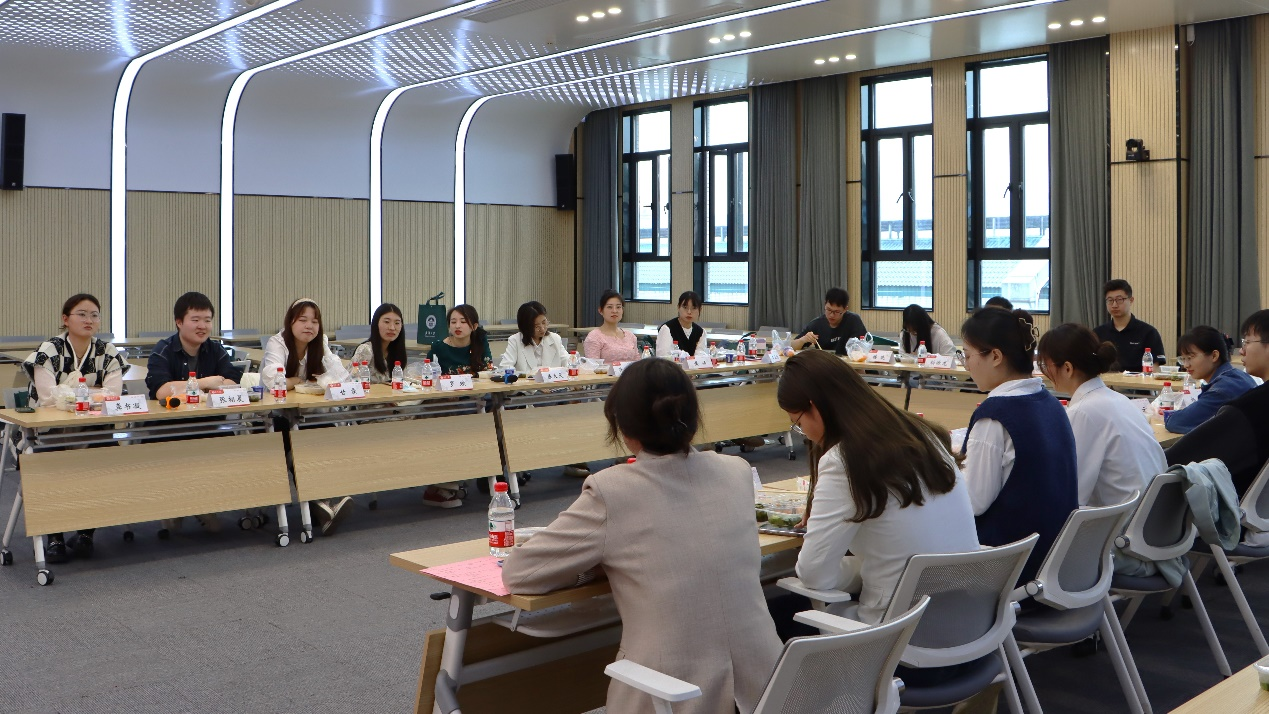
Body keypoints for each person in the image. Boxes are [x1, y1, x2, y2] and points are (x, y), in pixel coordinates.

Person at [502, 359, 781, 714]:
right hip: (769, 688)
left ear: (622, 426)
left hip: (673, 695)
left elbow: (520, 573)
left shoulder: (612, 490)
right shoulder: (736, 471)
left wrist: (592, 568)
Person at [777, 350, 979, 624]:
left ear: (815, 408)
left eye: (799, 423)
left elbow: (815, 575)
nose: (807, 435)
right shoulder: (923, 432)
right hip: (969, 623)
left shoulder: (844, 460)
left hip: (900, 632)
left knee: (786, 612)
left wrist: (858, 568)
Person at [959, 308, 1078, 584]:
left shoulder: (994, 416)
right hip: (1056, 558)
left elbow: (973, 502)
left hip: (1012, 566)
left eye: (967, 355)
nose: (966, 366)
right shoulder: (1051, 403)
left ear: (995, 356)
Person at [21, 294, 129, 562]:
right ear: (65, 319)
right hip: (49, 431)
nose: (89, 320)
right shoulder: (49, 350)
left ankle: (85, 534)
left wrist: (73, 393)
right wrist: (94, 391)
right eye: (82, 314)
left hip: (93, 429)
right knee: (50, 470)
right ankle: (54, 537)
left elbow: (114, 396)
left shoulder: (107, 351)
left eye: (94, 315)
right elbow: (48, 398)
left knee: (107, 462)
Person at [1038, 324, 1166, 508]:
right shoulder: (1119, 399)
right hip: (1154, 513)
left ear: (1067, 368)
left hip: (1124, 519)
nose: (1044, 373)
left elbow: (1071, 493)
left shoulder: (1083, 412)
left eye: (1045, 365)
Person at [260, 299, 353, 533]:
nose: (309, 326)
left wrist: (296, 381)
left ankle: (323, 504)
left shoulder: (320, 343)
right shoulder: (277, 343)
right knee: (297, 444)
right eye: (303, 320)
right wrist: (300, 380)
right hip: (274, 416)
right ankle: (320, 505)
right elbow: (273, 381)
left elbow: (341, 377)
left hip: (307, 416)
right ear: (290, 322)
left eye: (314, 321)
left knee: (327, 433)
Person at [1167, 310, 1269, 496]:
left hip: (1235, 505)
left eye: (1247, 342)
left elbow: (1174, 459)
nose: (1241, 350)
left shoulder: (1249, 409)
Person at [145, 291, 243, 401]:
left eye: (207, 320)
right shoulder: (163, 351)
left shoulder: (216, 349)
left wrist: (188, 387)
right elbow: (161, 392)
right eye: (195, 320)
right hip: (174, 412)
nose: (202, 326)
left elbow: (233, 383)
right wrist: (204, 383)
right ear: (179, 322)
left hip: (209, 412)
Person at [1163, 325, 1257, 435]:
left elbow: (1176, 422)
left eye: (1190, 357)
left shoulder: (1223, 389)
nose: (1186, 365)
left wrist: (1170, 416)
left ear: (1214, 356)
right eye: (1183, 359)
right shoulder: (1239, 376)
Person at [1094, 279, 1166, 372]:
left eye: (1119, 300)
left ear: (1131, 300)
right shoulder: (1098, 333)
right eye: (1110, 300)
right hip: (1105, 381)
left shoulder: (1148, 332)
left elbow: (1154, 369)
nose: (1114, 305)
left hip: (1138, 381)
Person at [790, 287, 868, 354]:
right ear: (825, 304)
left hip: (849, 364)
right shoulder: (817, 324)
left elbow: (863, 348)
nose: (831, 315)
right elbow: (791, 347)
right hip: (826, 364)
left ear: (845, 309)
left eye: (837, 312)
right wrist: (803, 340)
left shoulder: (853, 321)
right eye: (828, 310)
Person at [499, 301, 567, 373]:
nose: (542, 329)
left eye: (544, 323)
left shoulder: (555, 338)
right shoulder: (515, 340)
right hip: (526, 380)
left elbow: (567, 361)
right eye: (536, 326)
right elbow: (505, 367)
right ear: (525, 327)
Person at [350, 303, 407, 384]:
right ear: (376, 324)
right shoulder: (366, 350)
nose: (392, 328)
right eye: (386, 322)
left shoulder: (397, 351)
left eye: (397, 323)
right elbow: (350, 381)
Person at [427, 304, 492, 375]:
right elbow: (427, 373)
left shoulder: (480, 341)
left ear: (474, 326)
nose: (457, 326)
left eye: (463, 322)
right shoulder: (439, 347)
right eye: (453, 322)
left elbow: (488, 370)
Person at [583, 290, 640, 362]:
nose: (614, 311)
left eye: (618, 307)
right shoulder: (594, 337)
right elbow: (593, 366)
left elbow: (637, 363)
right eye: (609, 307)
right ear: (600, 310)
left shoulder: (630, 336)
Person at [655, 291, 704, 357]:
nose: (689, 312)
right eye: (685, 307)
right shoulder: (667, 329)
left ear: (700, 310)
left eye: (694, 308)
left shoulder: (700, 332)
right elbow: (663, 357)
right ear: (678, 307)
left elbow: (701, 357)